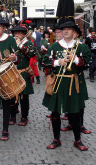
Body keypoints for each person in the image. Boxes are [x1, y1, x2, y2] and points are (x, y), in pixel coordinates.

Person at [42, 21, 91, 151]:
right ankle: (56, 138)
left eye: (69, 29)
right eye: (64, 29)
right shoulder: (54, 46)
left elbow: (87, 63)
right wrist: (59, 62)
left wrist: (75, 60)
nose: (66, 31)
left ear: (74, 32)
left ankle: (77, 140)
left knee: (74, 112)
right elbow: (45, 61)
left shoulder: (81, 47)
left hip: (73, 82)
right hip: (57, 82)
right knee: (56, 112)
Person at [9, 25, 36, 126]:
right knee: (12, 96)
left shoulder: (28, 43)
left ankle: (24, 117)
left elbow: (31, 54)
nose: (17, 35)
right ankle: (12, 115)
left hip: (23, 72)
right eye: (15, 33)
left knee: (24, 97)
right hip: (12, 72)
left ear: (24, 34)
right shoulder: (10, 43)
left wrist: (20, 45)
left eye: (19, 33)